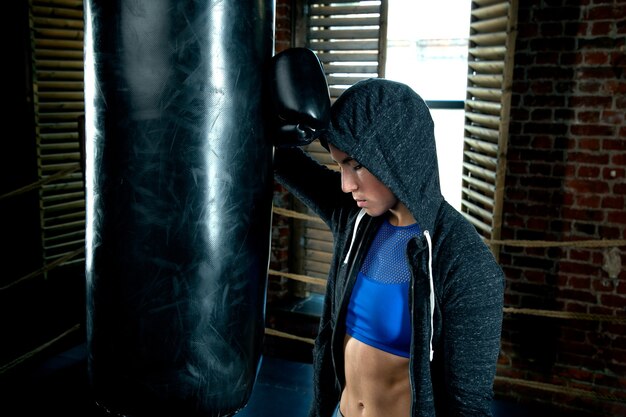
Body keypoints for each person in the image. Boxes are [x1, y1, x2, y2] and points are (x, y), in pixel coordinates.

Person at [271, 53, 505, 417]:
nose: (347, 185)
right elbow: (280, 159)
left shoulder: (465, 263)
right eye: (339, 165)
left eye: (357, 165)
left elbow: (467, 405)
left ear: (395, 156)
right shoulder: (356, 218)